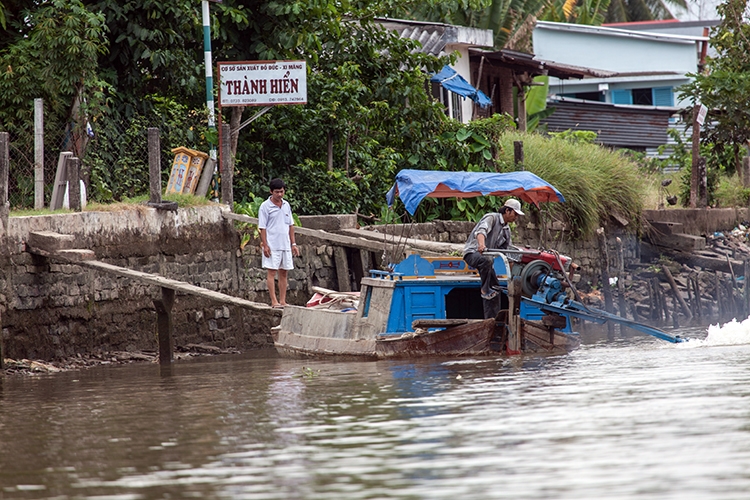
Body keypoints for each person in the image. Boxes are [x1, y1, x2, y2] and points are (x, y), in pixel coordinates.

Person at [463, 198, 524, 309]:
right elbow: (481, 231)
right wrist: (481, 245)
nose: (516, 217)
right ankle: (485, 290)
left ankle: (493, 320)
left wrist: (512, 279)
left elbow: (508, 254)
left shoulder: (506, 230)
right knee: (486, 261)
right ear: (507, 211)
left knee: (495, 288)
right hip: (473, 253)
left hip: (487, 260)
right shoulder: (492, 217)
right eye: (515, 214)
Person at [258, 178, 300, 308]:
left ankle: (282, 300)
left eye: (281, 192)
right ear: (271, 192)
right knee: (271, 272)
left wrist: (293, 244)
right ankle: (273, 301)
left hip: (285, 244)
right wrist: (265, 245)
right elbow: (262, 228)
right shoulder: (265, 206)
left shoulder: (286, 205)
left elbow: (291, 226)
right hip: (272, 245)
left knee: (284, 272)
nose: (280, 194)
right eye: (277, 192)